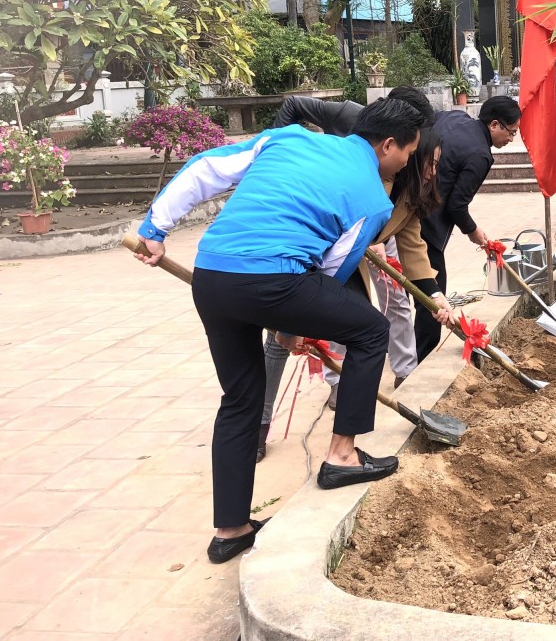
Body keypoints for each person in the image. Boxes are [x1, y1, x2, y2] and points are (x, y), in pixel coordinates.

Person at [132, 98, 426, 564]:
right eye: (407, 153)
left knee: (241, 398)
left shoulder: (288, 137)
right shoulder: (373, 199)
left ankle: (231, 529)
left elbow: (206, 168)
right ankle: (342, 457)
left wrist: (156, 226)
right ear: (387, 145)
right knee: (370, 331)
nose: (406, 162)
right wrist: (290, 325)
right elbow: (330, 271)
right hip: (274, 280)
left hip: (213, 274)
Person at [257, 87, 439, 462]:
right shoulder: (353, 134)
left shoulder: (404, 182)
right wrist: (275, 161)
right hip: (308, 243)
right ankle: (257, 427)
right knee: (281, 334)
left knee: (366, 329)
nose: (431, 169)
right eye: (424, 156)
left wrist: (434, 294)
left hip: (345, 255)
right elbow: (292, 108)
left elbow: (410, 240)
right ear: (398, 141)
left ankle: (344, 437)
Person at [415, 95, 522, 362]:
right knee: (432, 293)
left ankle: (406, 354)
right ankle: (422, 359)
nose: (511, 140)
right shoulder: (481, 155)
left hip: (409, 203)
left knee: (406, 294)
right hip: (426, 221)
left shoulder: (454, 117)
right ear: (495, 125)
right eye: (511, 133)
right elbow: (456, 205)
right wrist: (473, 231)